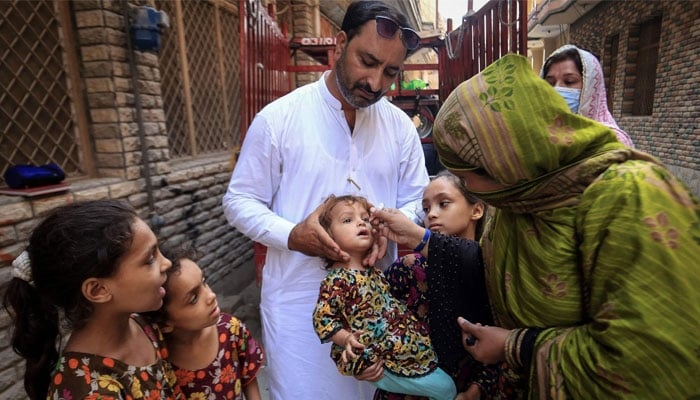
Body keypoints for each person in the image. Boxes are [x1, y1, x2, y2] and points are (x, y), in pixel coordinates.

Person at [429, 54, 700, 398]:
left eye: (467, 178)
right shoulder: (523, 197)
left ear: (502, 163)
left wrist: (516, 346)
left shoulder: (629, 197)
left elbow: (654, 361)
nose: (467, 189)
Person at [221, 1, 430, 398]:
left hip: (375, 307)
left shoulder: (400, 127)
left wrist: (388, 223)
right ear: (339, 44)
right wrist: (291, 235)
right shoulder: (279, 119)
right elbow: (239, 201)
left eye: (390, 72)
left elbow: (416, 196)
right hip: (298, 308)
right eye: (366, 61)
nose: (374, 82)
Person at [2, 199, 182, 400]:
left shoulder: (144, 325)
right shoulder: (89, 389)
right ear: (97, 290)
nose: (166, 263)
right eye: (149, 259)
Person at [312, 195, 456, 400]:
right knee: (446, 389)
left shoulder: (376, 273)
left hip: (400, 349)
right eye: (347, 220)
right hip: (378, 357)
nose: (361, 222)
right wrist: (347, 339)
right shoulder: (337, 280)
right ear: (328, 237)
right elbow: (322, 319)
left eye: (364, 218)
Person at [373, 171, 496, 400]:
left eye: (444, 203)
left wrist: (477, 390)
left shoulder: (493, 268)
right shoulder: (409, 269)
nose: (432, 215)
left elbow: (506, 342)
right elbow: (369, 318)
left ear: (476, 210)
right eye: (426, 208)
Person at [144, 244, 265, 400]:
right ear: (165, 323)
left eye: (204, 282)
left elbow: (248, 379)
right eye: (193, 298)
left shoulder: (230, 329)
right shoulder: (159, 359)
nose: (211, 295)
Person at [541, 44, 634, 147]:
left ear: (590, 87)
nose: (556, 89)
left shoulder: (612, 140)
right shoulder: (539, 135)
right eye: (550, 83)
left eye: (569, 81)